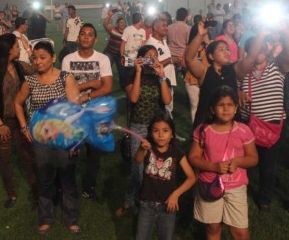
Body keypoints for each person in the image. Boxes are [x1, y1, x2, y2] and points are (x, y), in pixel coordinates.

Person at [14, 41, 81, 235]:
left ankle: (71, 218)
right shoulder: (30, 81)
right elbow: (18, 103)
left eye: (42, 57)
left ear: (53, 57)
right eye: (35, 58)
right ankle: (46, 217)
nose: (38, 61)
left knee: (67, 177)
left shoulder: (65, 78)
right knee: (44, 178)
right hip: (41, 138)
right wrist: (24, 126)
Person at [188, 86, 258, 240]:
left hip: (236, 187)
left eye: (230, 105)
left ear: (236, 107)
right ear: (212, 109)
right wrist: (213, 166)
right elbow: (193, 157)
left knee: (240, 231)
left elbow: (253, 158)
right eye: (221, 105)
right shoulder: (204, 130)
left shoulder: (244, 130)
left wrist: (239, 161)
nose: (226, 109)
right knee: (213, 227)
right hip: (210, 185)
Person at [238, 22, 289, 210]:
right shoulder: (243, 72)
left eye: (263, 46)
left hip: (272, 126)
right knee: (247, 164)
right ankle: (240, 194)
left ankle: (264, 199)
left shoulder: (277, 68)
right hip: (248, 126)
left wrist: (285, 29)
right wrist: (238, 92)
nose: (260, 50)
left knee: (268, 166)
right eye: (255, 47)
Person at [116, 45, 171, 218]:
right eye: (148, 56)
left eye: (155, 56)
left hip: (158, 128)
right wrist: (138, 72)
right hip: (139, 127)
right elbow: (133, 98)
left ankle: (152, 203)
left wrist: (161, 76)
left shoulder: (161, 77)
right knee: (137, 170)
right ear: (140, 58)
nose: (152, 59)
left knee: (157, 167)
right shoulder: (131, 76)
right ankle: (128, 202)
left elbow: (167, 100)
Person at [62, 23, 113, 199]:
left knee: (94, 154)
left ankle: (88, 187)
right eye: (83, 34)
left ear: (95, 39)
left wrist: (86, 97)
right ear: (78, 37)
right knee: (72, 152)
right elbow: (65, 88)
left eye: (90, 35)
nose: (85, 37)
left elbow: (107, 87)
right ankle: (68, 188)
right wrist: (90, 84)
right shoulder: (68, 59)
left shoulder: (103, 59)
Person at [0, 34, 36, 208]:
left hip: (21, 119)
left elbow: (37, 69)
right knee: (5, 159)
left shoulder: (20, 67)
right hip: (4, 122)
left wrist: (30, 49)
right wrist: (0, 124)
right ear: (8, 50)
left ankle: (36, 187)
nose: (18, 49)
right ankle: (11, 193)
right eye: (16, 46)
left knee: (28, 154)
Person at [185, 21, 265, 129]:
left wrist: (261, 34)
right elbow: (189, 59)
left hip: (231, 125)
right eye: (221, 50)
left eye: (227, 49)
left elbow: (251, 58)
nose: (226, 52)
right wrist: (200, 35)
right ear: (211, 56)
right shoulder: (205, 72)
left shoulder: (234, 70)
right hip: (207, 125)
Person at [134, 116, 195, 240]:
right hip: (147, 204)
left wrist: (175, 194)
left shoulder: (177, 152)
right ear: (150, 133)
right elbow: (137, 160)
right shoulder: (148, 148)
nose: (160, 134)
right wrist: (141, 148)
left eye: (165, 130)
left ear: (172, 134)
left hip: (168, 205)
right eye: (156, 130)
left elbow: (192, 177)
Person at [146, 18, 177, 116]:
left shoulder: (163, 40)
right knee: (163, 108)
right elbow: (150, 64)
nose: (166, 28)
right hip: (159, 81)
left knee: (168, 106)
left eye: (166, 25)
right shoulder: (150, 43)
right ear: (155, 27)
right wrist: (170, 60)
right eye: (163, 25)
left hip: (167, 80)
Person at [102, 9, 127, 89]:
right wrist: (110, 15)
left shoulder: (127, 33)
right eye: (121, 22)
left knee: (122, 72)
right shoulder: (113, 29)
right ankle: (102, 86)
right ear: (117, 23)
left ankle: (123, 87)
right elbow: (105, 24)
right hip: (110, 53)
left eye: (123, 22)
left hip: (120, 55)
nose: (122, 24)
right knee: (104, 69)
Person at [167, 8, 191, 76]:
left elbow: (167, 41)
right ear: (186, 17)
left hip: (170, 55)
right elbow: (188, 45)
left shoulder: (169, 27)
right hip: (182, 56)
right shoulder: (188, 28)